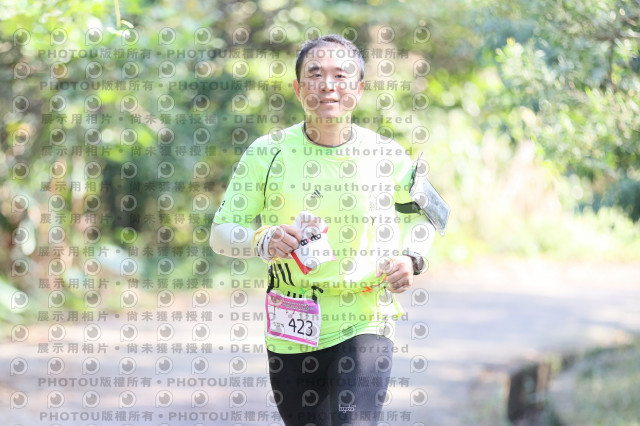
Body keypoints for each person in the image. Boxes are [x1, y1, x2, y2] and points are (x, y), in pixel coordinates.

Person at [210, 34, 438, 426]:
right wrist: (261, 240)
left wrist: (411, 257)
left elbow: (424, 218)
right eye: (315, 74)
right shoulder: (266, 153)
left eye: (340, 75)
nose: (328, 85)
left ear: (359, 89)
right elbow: (220, 233)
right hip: (292, 321)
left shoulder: (386, 154)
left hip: (365, 315)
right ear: (298, 88)